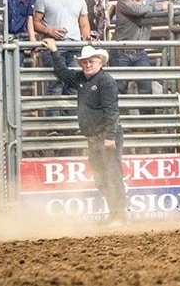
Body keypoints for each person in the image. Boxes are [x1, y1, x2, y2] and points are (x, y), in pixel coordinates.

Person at [40, 38, 128, 227]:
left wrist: (110, 137)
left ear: (99, 62)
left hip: (105, 137)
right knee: (102, 179)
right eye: (85, 62)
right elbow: (63, 73)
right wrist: (55, 51)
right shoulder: (81, 79)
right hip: (94, 138)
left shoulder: (106, 82)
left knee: (112, 177)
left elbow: (112, 111)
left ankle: (119, 216)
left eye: (91, 61)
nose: (88, 64)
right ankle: (115, 214)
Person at [33, 0, 91, 115]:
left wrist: (86, 37)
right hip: (54, 46)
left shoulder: (79, 0)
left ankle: (70, 123)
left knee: (74, 85)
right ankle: (54, 126)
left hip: (74, 45)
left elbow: (84, 23)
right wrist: (49, 30)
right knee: (56, 84)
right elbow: (36, 22)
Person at [111, 0, 154, 114]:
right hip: (122, 51)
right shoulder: (123, 1)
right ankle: (121, 123)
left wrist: (149, 4)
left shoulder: (147, 2)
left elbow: (146, 8)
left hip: (140, 51)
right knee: (120, 88)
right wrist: (149, 4)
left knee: (146, 87)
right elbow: (137, 10)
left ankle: (148, 125)